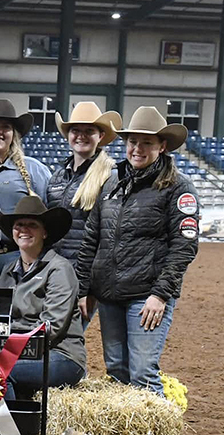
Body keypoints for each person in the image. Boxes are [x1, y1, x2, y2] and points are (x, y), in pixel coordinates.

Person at [76, 106, 199, 394]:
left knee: (143, 373)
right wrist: (84, 287)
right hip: (109, 295)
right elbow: (92, 237)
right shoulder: (111, 182)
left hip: (146, 296)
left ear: (162, 146)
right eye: (133, 142)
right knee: (117, 370)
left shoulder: (178, 187)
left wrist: (160, 294)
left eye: (146, 142)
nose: (137, 149)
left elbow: (184, 246)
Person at [0, 195, 86, 397]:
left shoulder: (59, 269)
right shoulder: (7, 271)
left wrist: (9, 344)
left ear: (44, 232)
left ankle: (9, 428)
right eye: (19, 225)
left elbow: (51, 327)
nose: (24, 229)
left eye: (32, 225)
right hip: (19, 352)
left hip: (61, 355)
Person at [0, 99, 51, 280]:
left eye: (5, 127)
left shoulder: (33, 169)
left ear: (13, 134)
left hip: (16, 258)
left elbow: (49, 215)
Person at [46, 102, 121, 263]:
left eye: (89, 131)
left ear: (100, 136)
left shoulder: (110, 177)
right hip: (55, 266)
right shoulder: (57, 177)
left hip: (87, 268)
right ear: (68, 135)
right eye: (76, 130)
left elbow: (110, 233)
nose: (81, 135)